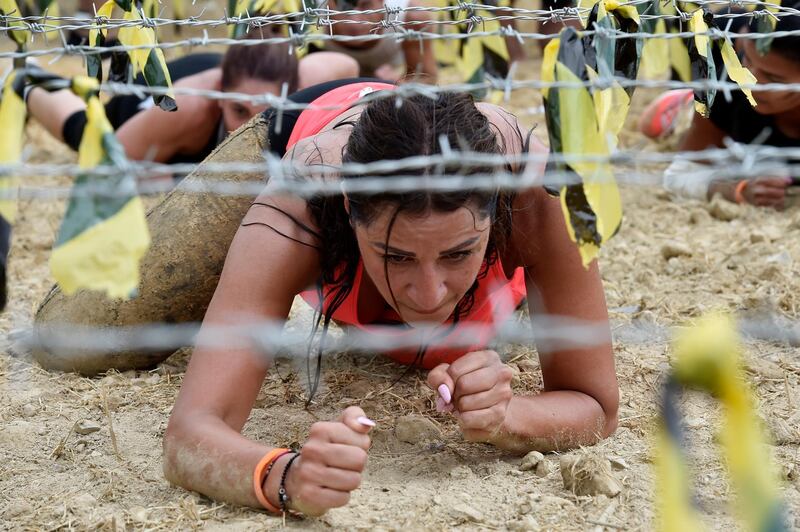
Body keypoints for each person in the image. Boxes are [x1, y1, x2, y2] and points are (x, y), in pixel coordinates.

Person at [162, 78, 619, 516]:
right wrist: (284, 476)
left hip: (434, 138)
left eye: (458, 253)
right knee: (107, 327)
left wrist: (510, 416)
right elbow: (188, 437)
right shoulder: (297, 206)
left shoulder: (542, 196)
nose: (427, 294)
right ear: (348, 209)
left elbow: (597, 405)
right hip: (306, 125)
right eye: (396, 256)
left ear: (498, 207)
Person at [25, 38, 358, 165]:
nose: (250, 126)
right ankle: (24, 80)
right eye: (239, 110)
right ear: (221, 94)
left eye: (269, 112)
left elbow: (351, 68)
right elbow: (106, 162)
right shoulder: (189, 108)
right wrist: (171, 178)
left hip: (236, 68)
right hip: (151, 99)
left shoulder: (310, 81)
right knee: (88, 135)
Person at [644, 6, 800, 208]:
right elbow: (677, 175)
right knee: (652, 127)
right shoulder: (730, 75)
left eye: (772, 78)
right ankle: (687, 101)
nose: (750, 81)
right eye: (748, 60)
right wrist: (735, 189)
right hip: (727, 99)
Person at [306, 0, 437, 82]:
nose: (354, 20)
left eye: (365, 5)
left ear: (382, 2)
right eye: (343, 5)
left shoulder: (410, 17)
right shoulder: (309, 14)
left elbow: (427, 77)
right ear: (328, 3)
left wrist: (397, 82)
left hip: (391, 75)